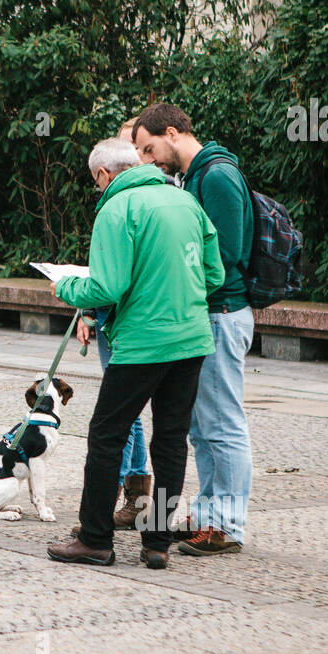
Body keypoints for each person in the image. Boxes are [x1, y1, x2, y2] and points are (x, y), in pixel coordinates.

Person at [47, 138, 225, 569]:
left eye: (96, 180)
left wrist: (65, 287)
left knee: (107, 435)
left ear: (105, 175)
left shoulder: (116, 209)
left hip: (143, 343)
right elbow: (215, 274)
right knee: (170, 441)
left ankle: (94, 540)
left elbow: (107, 286)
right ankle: (158, 544)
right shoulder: (184, 201)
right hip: (191, 341)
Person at [132, 102, 254, 556]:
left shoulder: (217, 175)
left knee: (222, 423)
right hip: (207, 314)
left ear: (171, 132)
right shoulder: (198, 175)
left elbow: (227, 253)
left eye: (149, 149)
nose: (149, 161)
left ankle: (226, 525)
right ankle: (207, 518)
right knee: (201, 426)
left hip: (222, 312)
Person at [75, 119, 150, 529]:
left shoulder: (126, 203)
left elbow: (112, 277)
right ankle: (141, 512)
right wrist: (88, 310)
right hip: (118, 316)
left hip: (132, 321)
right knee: (142, 419)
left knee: (116, 417)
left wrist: (74, 291)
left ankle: (106, 518)